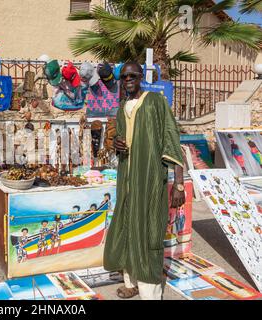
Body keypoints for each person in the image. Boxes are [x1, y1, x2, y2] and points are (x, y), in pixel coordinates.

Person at [103, 62, 185, 300]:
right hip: (127, 177)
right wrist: (116, 143)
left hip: (149, 178)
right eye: (124, 76)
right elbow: (119, 138)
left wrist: (178, 183)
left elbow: (171, 138)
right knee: (127, 227)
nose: (127, 79)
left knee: (148, 230)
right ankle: (131, 282)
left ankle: (150, 292)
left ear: (140, 77)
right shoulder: (121, 107)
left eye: (132, 75)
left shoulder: (156, 102)